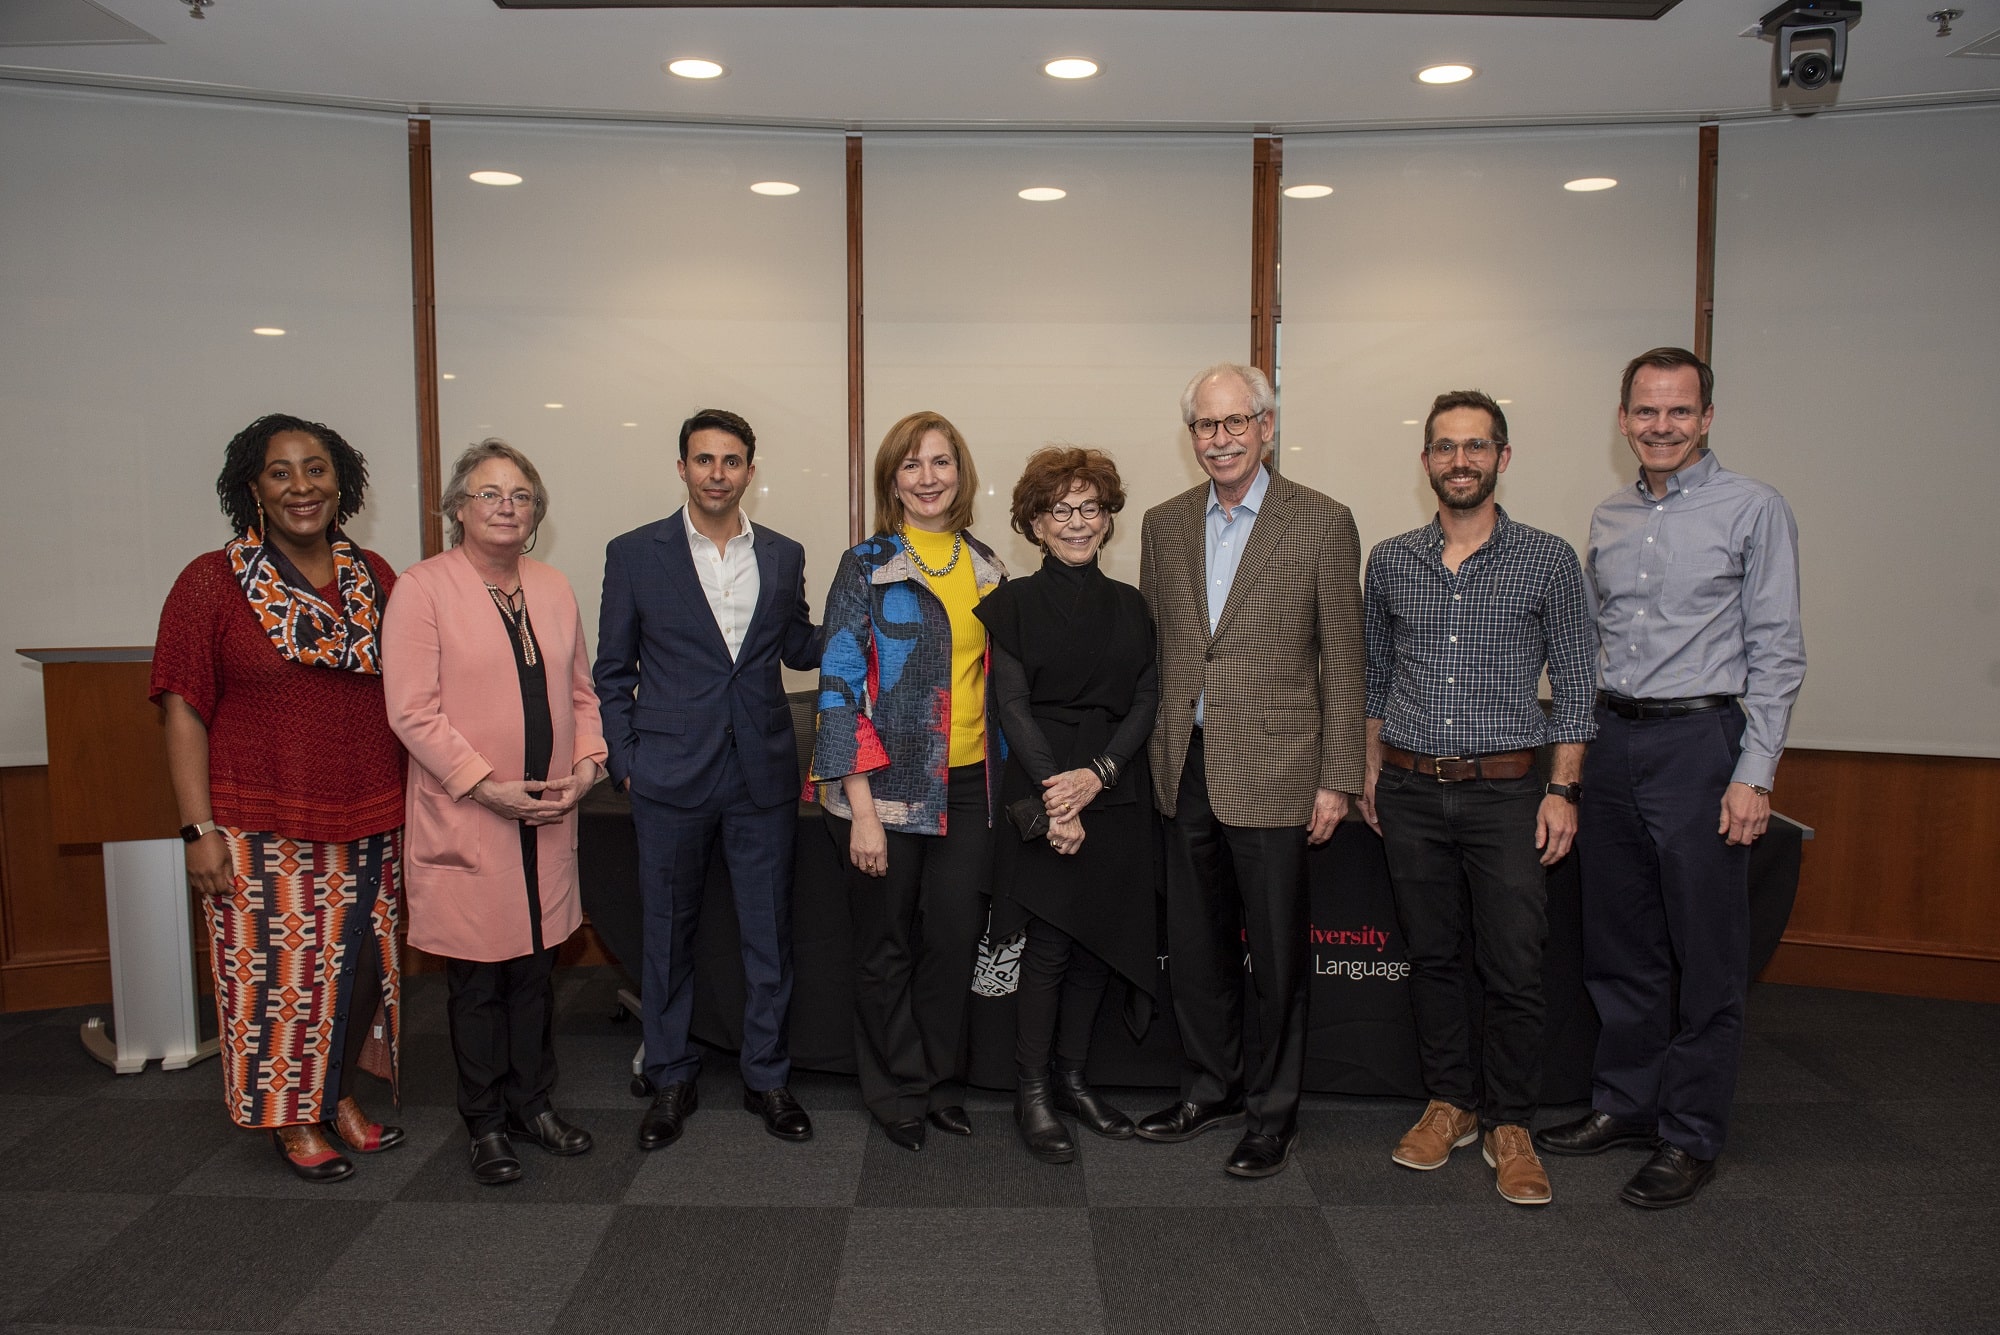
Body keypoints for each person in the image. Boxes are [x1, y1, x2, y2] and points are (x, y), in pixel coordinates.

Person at [1534, 348, 1804, 1210]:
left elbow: (1778, 650)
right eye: (1645, 412)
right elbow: (1585, 645)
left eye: (1678, 412)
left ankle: (1690, 1133)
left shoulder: (1755, 509)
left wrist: (1753, 774)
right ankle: (1626, 1101)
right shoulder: (1608, 517)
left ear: (1707, 417)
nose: (1661, 426)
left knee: (1706, 953)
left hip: (1703, 745)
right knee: (1622, 944)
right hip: (1614, 740)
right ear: (1623, 420)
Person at [152, 413, 406, 1183]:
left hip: (372, 813)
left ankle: (338, 1097)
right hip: (262, 822)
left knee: (362, 970)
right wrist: (198, 827)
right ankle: (290, 1117)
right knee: (278, 981)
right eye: (281, 471)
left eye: (317, 468)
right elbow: (182, 707)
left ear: (342, 481)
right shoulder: (211, 580)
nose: (303, 486)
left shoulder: (377, 577)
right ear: (252, 488)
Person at [1359, 389, 1597, 1207]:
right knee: (1431, 958)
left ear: (1502, 456)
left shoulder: (1549, 558)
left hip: (1507, 793)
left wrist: (1562, 786)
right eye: (1446, 446)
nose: (1461, 459)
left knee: (1514, 965)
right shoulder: (1391, 559)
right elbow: (1375, 680)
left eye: (1477, 445)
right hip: (1411, 789)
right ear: (1426, 460)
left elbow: (1575, 684)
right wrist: (1366, 771)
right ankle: (1451, 1103)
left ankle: (1512, 1124)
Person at [1135, 362, 1366, 1179]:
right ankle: (1211, 1084)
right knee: (1193, 948)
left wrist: (1338, 775)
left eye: (1237, 422)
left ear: (1267, 426)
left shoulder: (1322, 520)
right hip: (1183, 765)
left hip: (1276, 768)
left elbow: (1344, 658)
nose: (1221, 438)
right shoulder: (1163, 525)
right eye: (1206, 425)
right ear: (1190, 434)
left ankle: (1273, 1112)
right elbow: (1157, 652)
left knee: (1274, 956)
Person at [594, 409, 823, 1151]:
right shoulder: (634, 554)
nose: (717, 472)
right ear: (684, 467)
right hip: (668, 774)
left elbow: (798, 645)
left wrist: (868, 603)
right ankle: (669, 1074)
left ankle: (767, 1075)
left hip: (760, 773)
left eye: (731, 460)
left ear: (750, 470)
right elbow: (611, 671)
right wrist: (628, 762)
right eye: (703, 459)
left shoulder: (784, 555)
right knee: (666, 936)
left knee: (769, 936)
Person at [382, 439, 608, 1186]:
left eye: (520, 495)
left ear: (536, 511)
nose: (506, 506)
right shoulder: (424, 588)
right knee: (479, 978)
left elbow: (582, 694)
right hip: (472, 812)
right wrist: (483, 784)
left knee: (537, 972)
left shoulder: (551, 586)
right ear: (457, 508)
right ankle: (484, 1120)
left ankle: (533, 1105)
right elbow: (412, 711)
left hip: (546, 811)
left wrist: (587, 763)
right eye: (489, 493)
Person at [809, 410, 1006, 1151]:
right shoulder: (866, 564)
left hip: (966, 784)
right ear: (892, 479)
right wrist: (860, 810)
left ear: (962, 472)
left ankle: (933, 1080)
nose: (928, 478)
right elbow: (837, 685)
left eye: (941, 462)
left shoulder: (988, 565)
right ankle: (894, 1089)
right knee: (885, 944)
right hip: (882, 787)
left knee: (952, 940)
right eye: (912, 465)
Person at [973, 447, 1159, 1165]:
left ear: (1108, 519)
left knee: (1095, 945)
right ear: (1035, 524)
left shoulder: (1132, 605)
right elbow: (1011, 707)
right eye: (1060, 510)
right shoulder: (1011, 604)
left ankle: (1075, 1080)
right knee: (1048, 947)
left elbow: (1147, 697)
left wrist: (1099, 775)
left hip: (1115, 789)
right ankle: (1032, 1092)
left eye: (1090, 507)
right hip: (1042, 788)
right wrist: (1062, 797)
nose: (1077, 522)